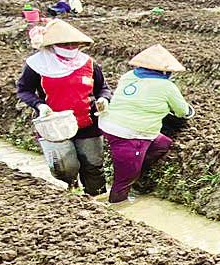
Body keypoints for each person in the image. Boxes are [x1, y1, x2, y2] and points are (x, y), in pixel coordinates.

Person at [15, 19, 111, 197]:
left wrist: (104, 99)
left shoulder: (88, 63)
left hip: (87, 122)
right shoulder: (37, 65)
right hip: (54, 124)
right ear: (52, 45)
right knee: (65, 167)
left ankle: (98, 199)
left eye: (74, 44)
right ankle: (72, 192)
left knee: (94, 167)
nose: (70, 47)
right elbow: (24, 90)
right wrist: (40, 105)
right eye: (64, 44)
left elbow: (102, 88)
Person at [97, 44, 193, 203]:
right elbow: (182, 112)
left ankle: (136, 164)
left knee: (162, 144)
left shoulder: (128, 76)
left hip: (110, 124)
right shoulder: (167, 86)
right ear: (165, 71)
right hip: (131, 134)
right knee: (123, 182)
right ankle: (117, 206)